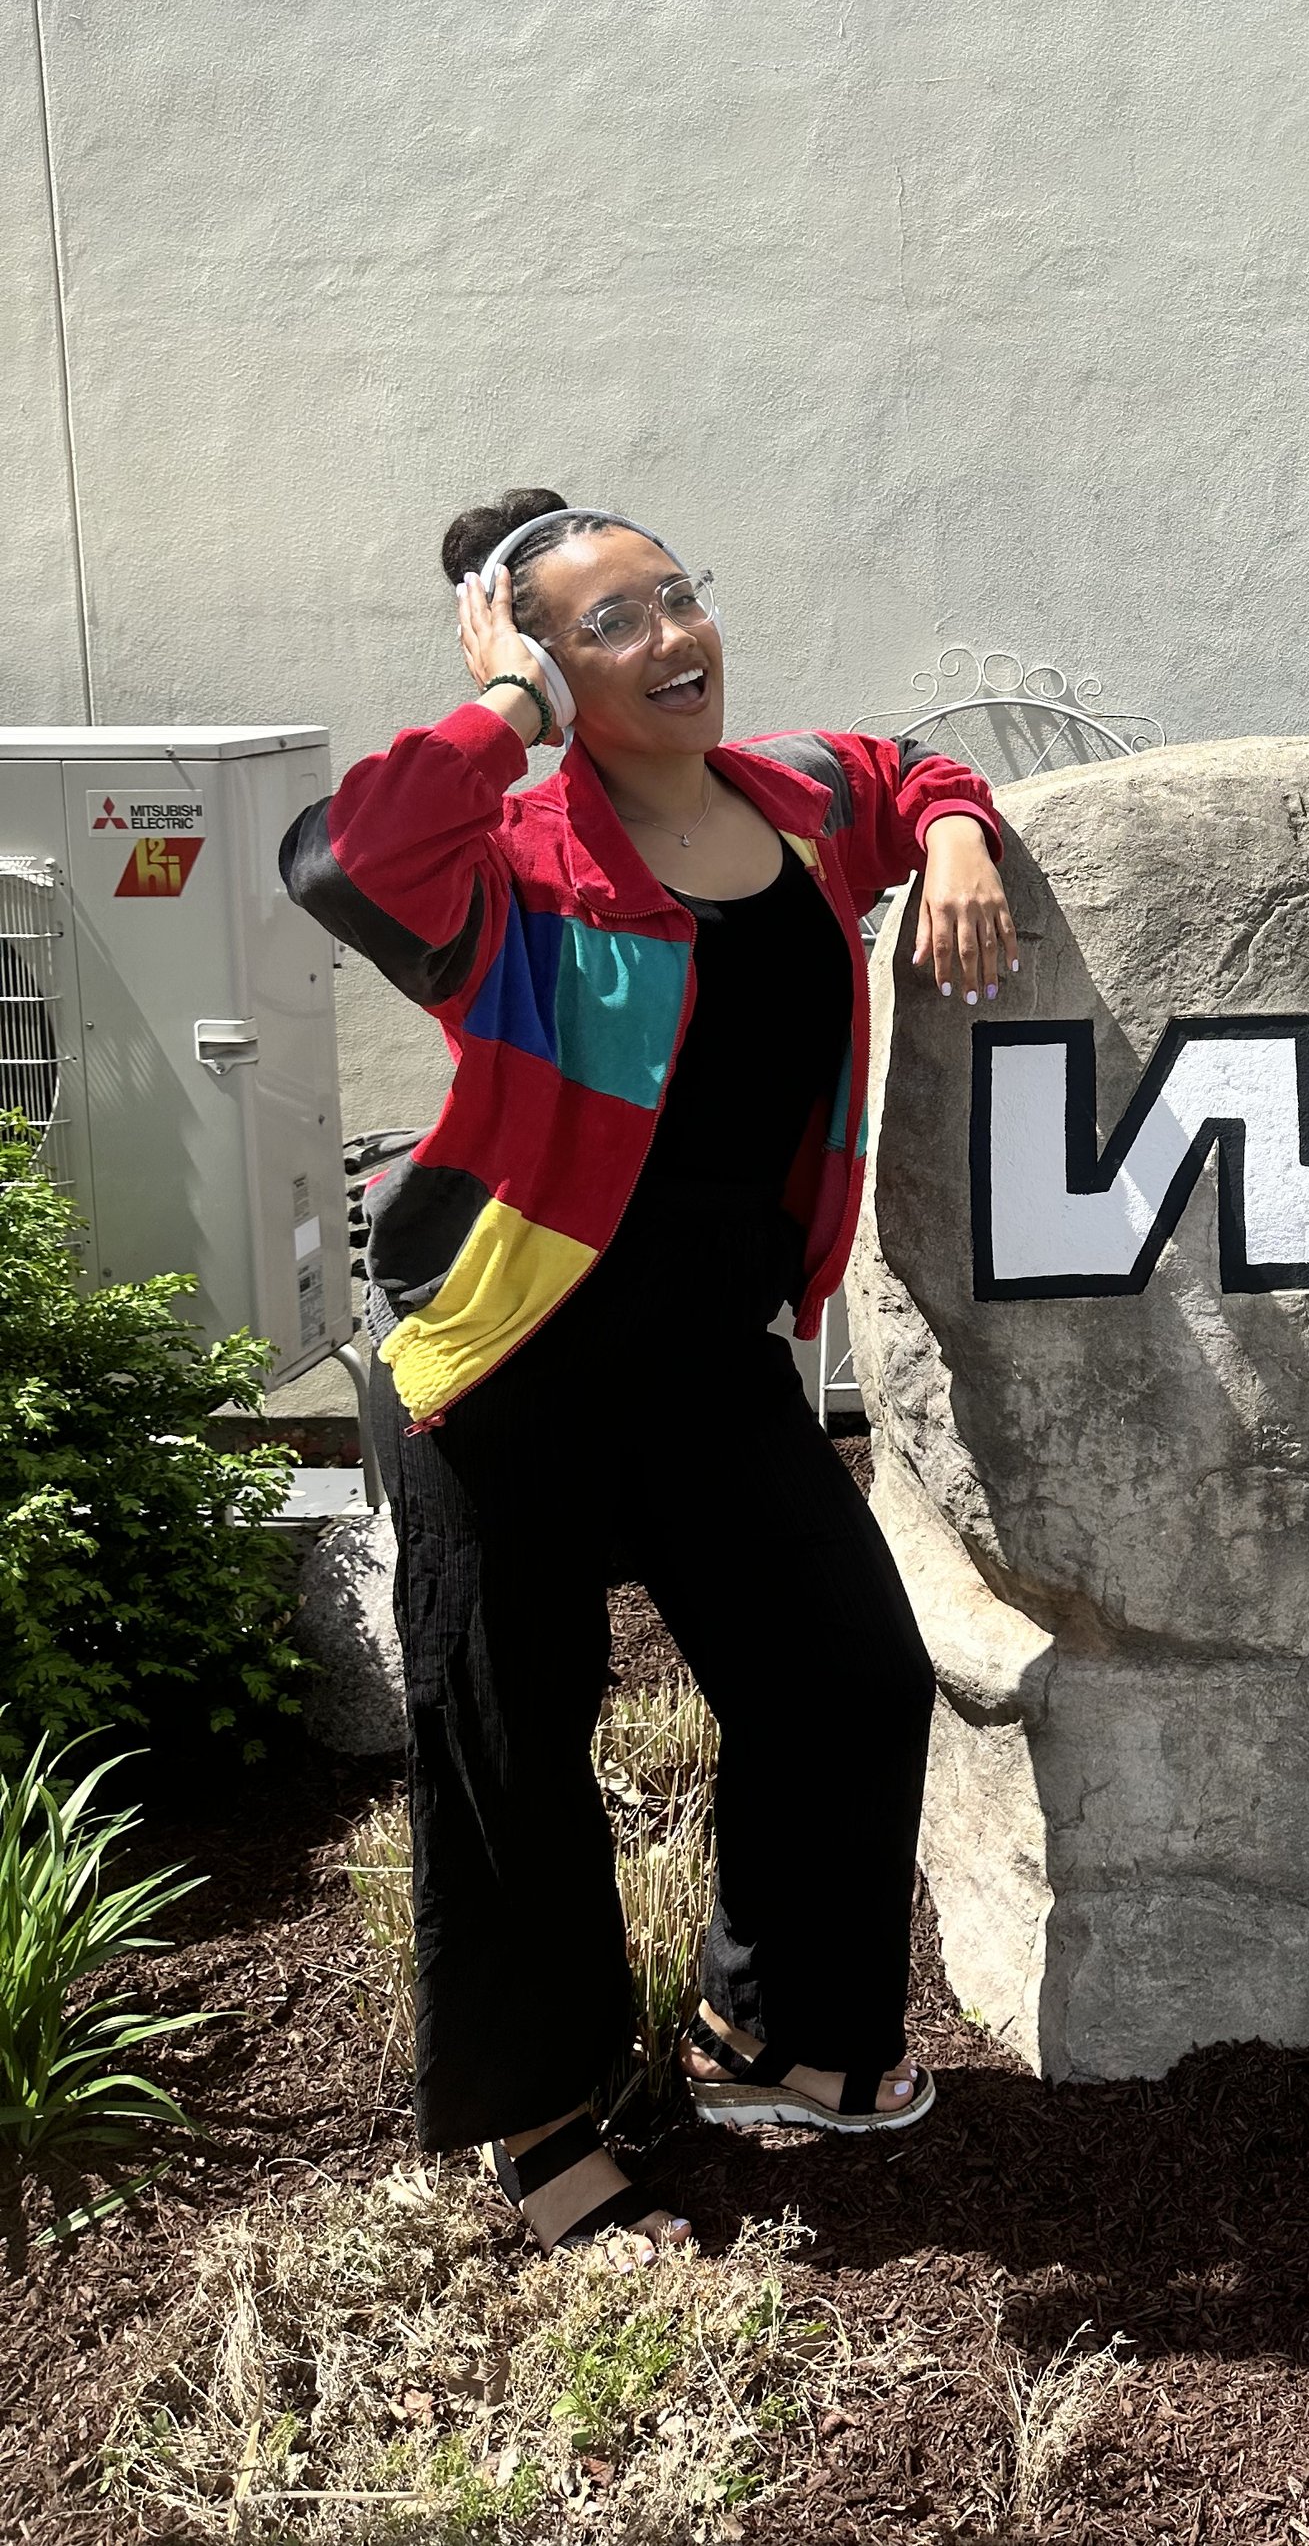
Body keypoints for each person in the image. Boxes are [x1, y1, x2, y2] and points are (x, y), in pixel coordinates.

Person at [282, 490, 1015, 2256]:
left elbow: (906, 765)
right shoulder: (520, 865)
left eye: (677, 598)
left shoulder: (793, 801)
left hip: (711, 1356)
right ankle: (538, 2116)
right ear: (538, 659)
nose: (670, 638)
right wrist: (509, 714)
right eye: (608, 624)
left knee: (844, 1673)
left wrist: (965, 836)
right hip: (509, 1363)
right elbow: (340, 858)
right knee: (513, 1749)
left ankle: (772, 2038)